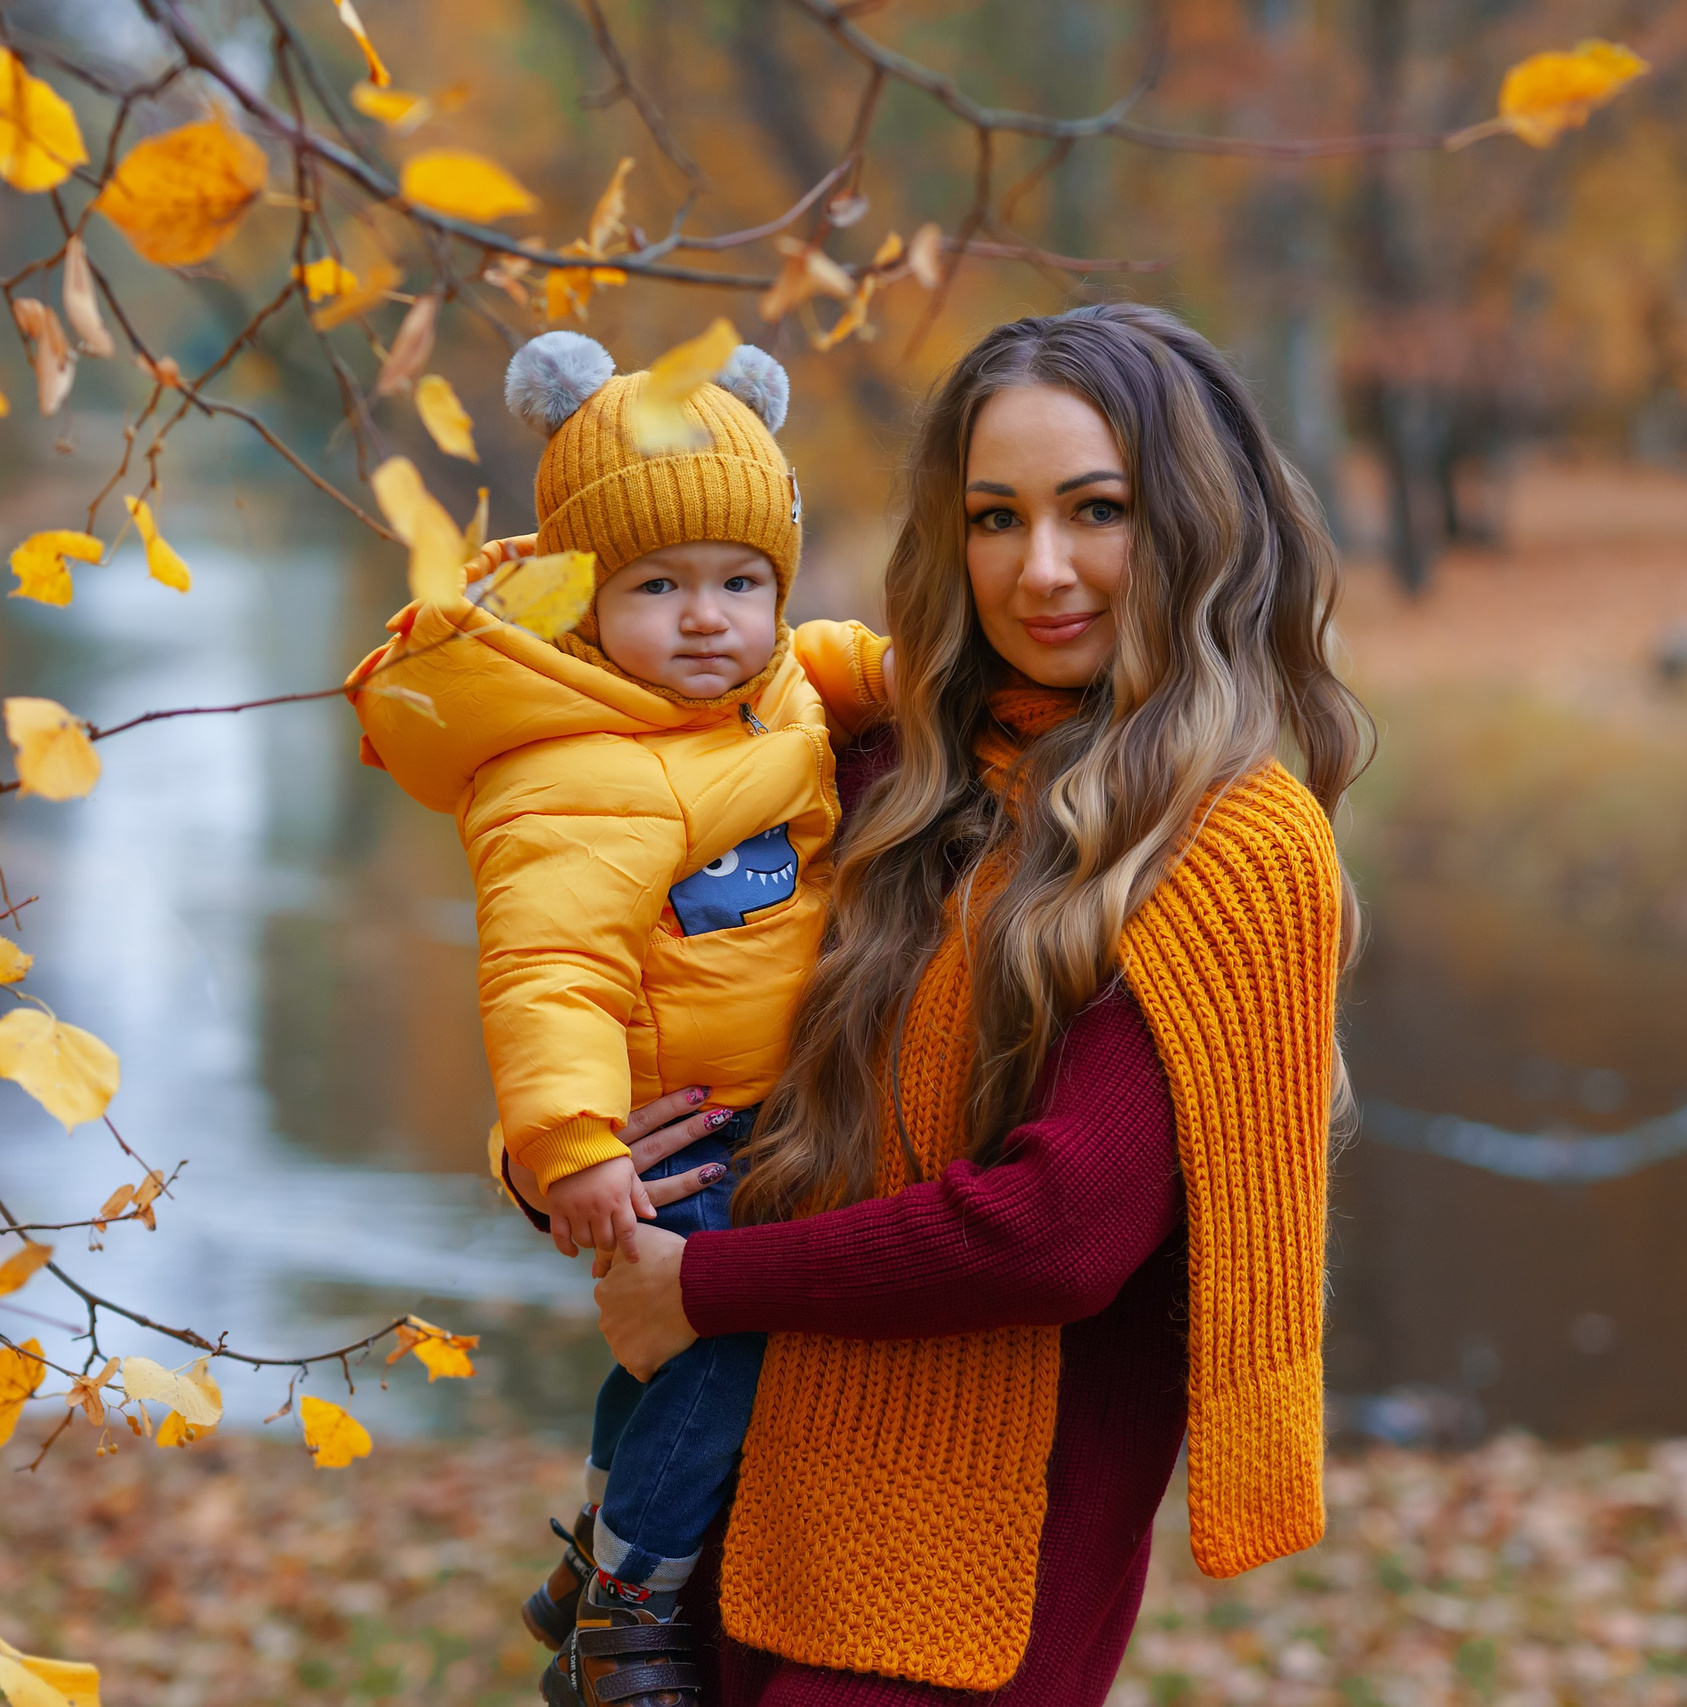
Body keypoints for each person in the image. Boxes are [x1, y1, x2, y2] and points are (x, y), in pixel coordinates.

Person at [586, 302, 1370, 1705]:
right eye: (996, 518)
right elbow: (657, 998)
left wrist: (702, 1289)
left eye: (1098, 510)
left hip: (967, 1600)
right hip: (735, 1525)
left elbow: (1061, 1230)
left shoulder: (1236, 844)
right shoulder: (883, 767)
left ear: (1194, 523)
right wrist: (572, 1161)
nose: (1043, 569)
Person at [345, 330, 886, 1707]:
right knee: (727, 1351)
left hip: (767, 1114)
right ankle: (633, 1612)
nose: (708, 619)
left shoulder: (775, 691)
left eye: (740, 582)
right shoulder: (568, 772)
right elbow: (547, 974)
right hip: (689, 1133)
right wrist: (571, 1139)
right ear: (586, 602)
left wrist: (934, 672)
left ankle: (595, 1545)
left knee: (661, 1365)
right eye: (660, 587)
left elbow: (841, 662)